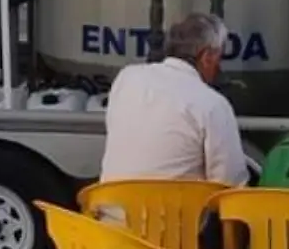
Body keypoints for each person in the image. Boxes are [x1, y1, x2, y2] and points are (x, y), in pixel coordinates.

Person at [98, 12, 250, 186]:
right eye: (219, 57)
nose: (219, 67)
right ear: (207, 56)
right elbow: (230, 183)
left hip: (111, 209)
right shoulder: (213, 104)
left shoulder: (126, 78)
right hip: (175, 212)